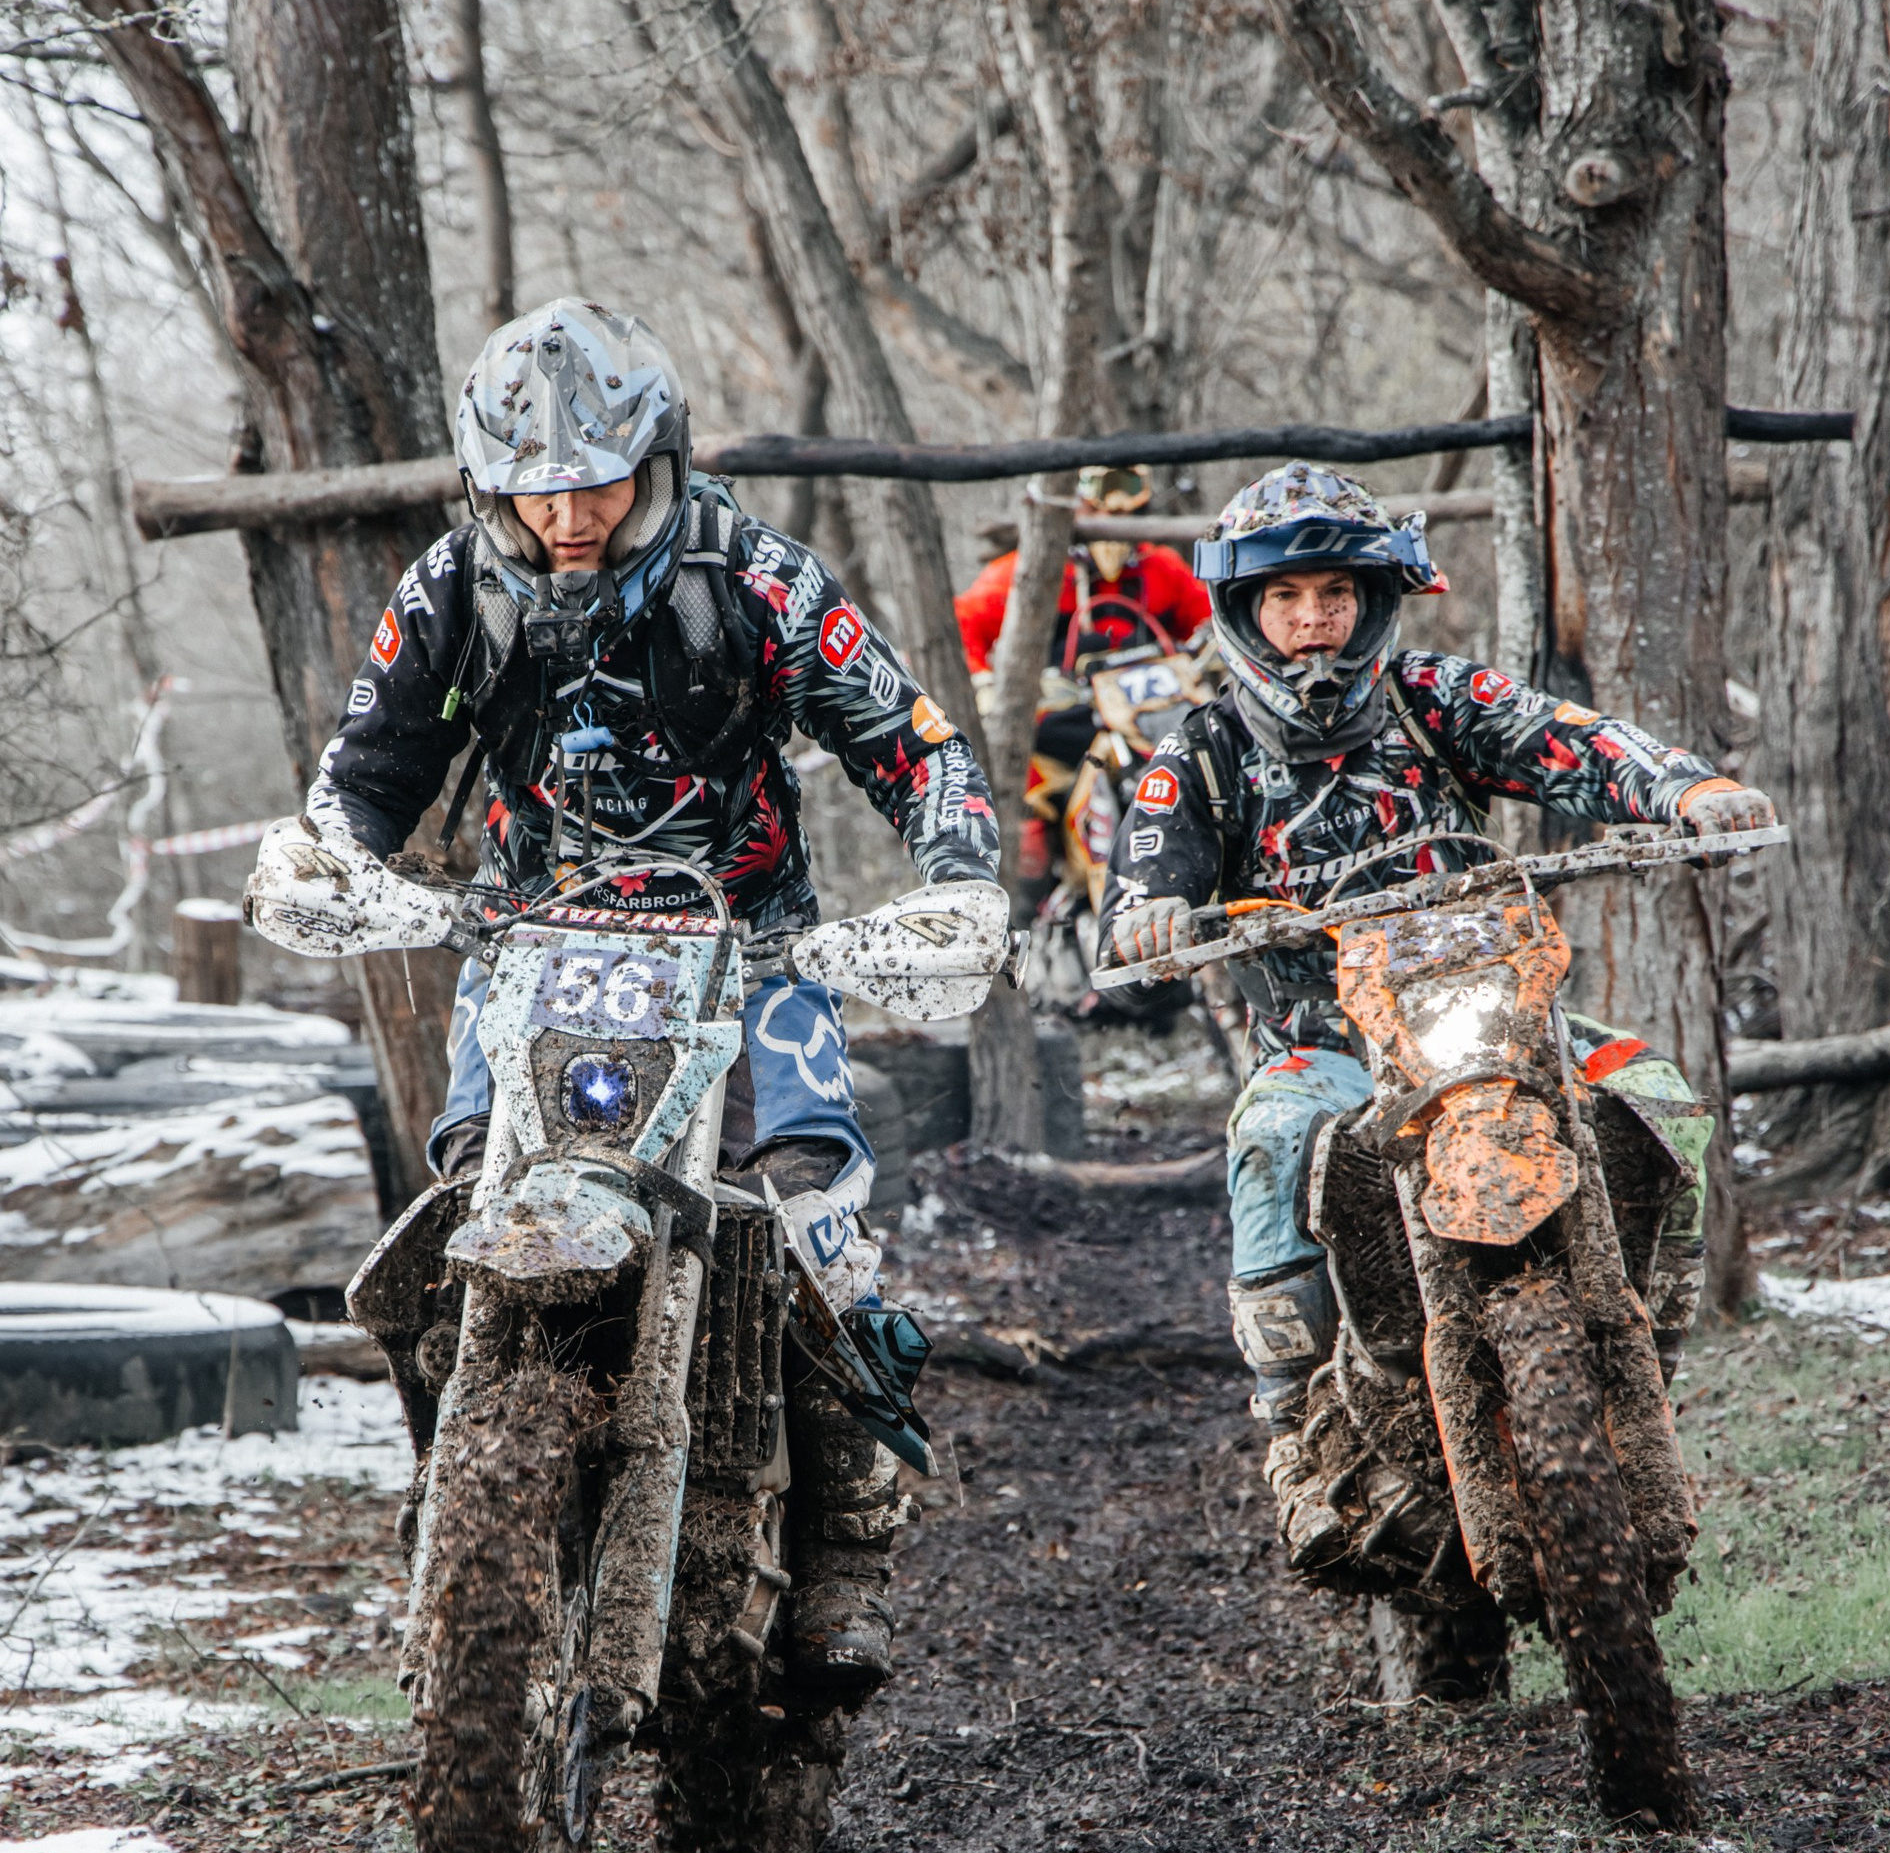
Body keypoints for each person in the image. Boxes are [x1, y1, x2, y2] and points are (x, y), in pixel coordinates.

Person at [306, 297, 1002, 1694]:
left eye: (598, 479)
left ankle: (852, 1546)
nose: (567, 513)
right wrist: (328, 859)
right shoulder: (452, 589)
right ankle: (459, 1513)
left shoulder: (756, 573)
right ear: (485, 480)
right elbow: (368, 770)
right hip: (528, 948)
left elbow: (911, 742)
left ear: (661, 456)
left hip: (750, 946)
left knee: (806, 1203)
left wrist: (962, 871)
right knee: (461, 1198)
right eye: (535, 487)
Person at [1097, 460, 1775, 1566]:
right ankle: (1290, 1436)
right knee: (1269, 1146)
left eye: (1335, 597)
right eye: (1286, 599)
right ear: (1247, 614)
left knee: (1660, 1097)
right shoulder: (1202, 752)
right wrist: (1152, 920)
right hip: (1326, 1049)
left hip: (1499, 1022)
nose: (1313, 623)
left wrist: (1684, 788)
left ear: (1371, 603)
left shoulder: (1433, 698)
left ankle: (1647, 1348)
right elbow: (1140, 886)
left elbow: (1567, 738)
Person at [955, 467, 1213, 891]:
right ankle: (1024, 921)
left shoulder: (1160, 568)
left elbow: (1212, 622)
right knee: (1025, 834)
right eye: (1099, 513)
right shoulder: (1034, 570)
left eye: (1129, 515)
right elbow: (962, 620)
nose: (1112, 532)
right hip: (1059, 732)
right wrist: (982, 685)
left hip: (1150, 727)